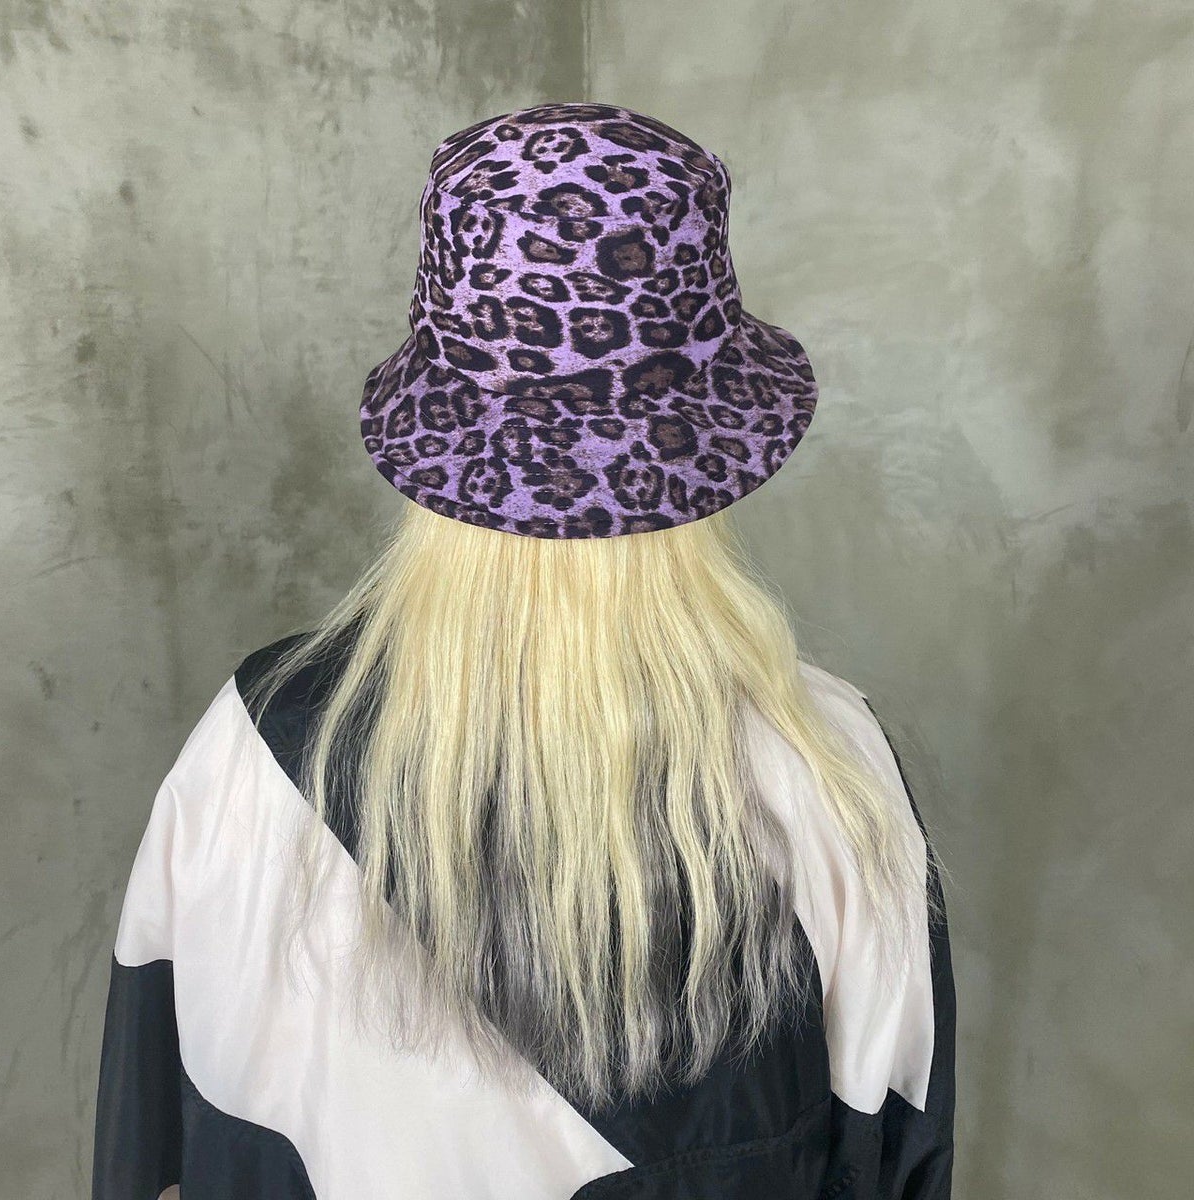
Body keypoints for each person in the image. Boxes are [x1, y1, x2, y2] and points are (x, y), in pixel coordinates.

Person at [92, 102, 955, 1199]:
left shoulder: (251, 739)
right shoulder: (825, 766)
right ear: (713, 441)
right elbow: (889, 1151)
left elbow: (150, 1134)